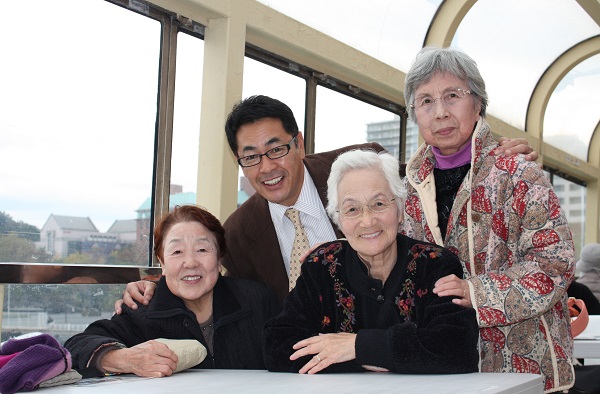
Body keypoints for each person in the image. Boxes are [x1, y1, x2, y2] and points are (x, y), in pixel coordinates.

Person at [115, 95, 538, 310]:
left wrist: (492, 160)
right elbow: (226, 296)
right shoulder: (239, 232)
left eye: (277, 149)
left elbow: (436, 186)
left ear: (299, 143)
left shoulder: (360, 166)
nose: (267, 168)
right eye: (251, 157)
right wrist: (156, 292)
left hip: (399, 338)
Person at [400, 46, 575, 394]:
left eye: (453, 96)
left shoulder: (519, 173)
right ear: (414, 113)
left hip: (523, 369)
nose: (440, 112)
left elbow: (555, 263)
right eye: (426, 101)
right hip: (441, 371)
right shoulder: (406, 189)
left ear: (478, 102)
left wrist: (476, 292)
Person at [263, 149, 479, 374]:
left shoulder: (435, 264)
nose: (367, 221)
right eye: (352, 209)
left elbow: (458, 348)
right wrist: (387, 356)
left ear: (400, 210)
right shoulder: (321, 265)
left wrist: (357, 347)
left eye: (379, 204)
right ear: (339, 219)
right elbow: (278, 345)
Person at [64, 205, 280, 377]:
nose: (190, 262)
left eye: (202, 249)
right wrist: (127, 359)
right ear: (162, 263)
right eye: (177, 252)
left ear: (219, 258)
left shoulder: (257, 300)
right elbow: (76, 347)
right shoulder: (144, 308)